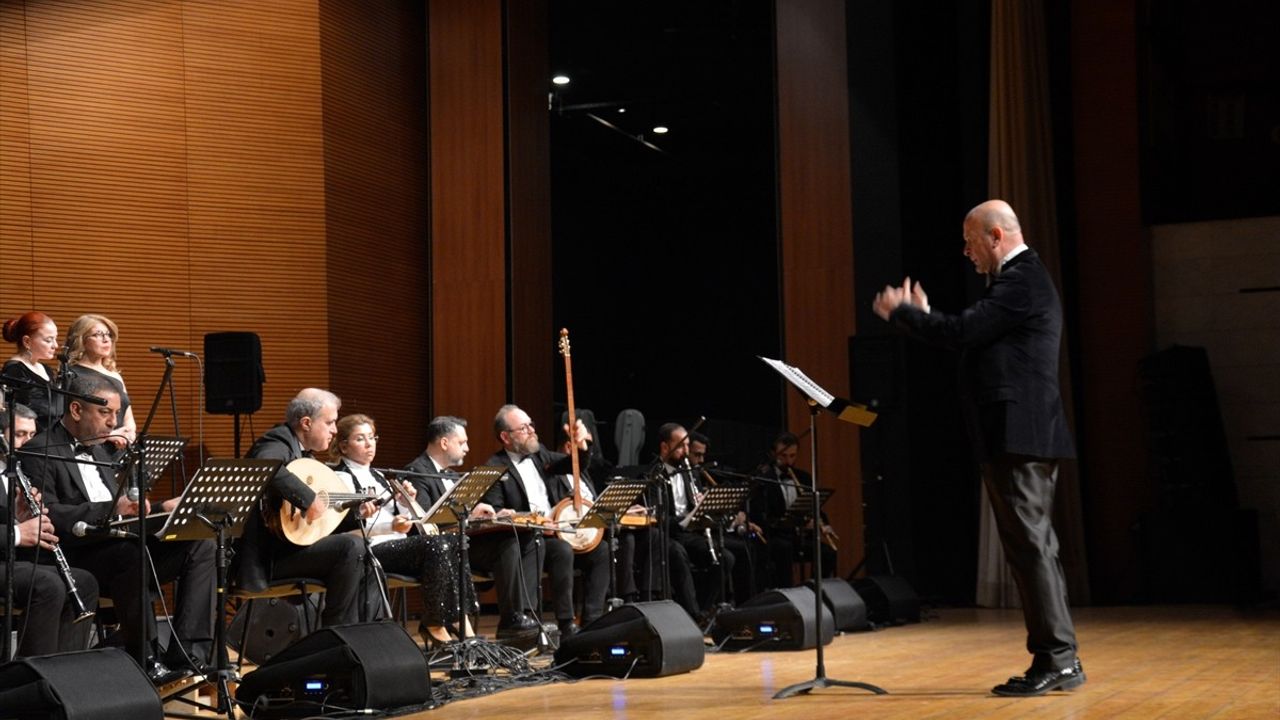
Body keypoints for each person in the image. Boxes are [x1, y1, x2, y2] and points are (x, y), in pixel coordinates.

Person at [873, 198, 1082, 696]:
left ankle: (1058, 659)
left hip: (1020, 433)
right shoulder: (1016, 282)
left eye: (970, 242)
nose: (966, 252)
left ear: (995, 236)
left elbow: (964, 331)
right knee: (1034, 549)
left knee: (1031, 549)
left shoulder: (1022, 279)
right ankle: (1058, 658)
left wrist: (907, 315)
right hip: (1016, 433)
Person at [22, 375, 214, 685]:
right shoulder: (39, 449)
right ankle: (145, 657)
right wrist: (114, 509)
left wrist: (163, 507)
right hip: (79, 555)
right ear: (75, 409)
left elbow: (123, 511)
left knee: (199, 544)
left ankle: (189, 655)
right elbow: (48, 514)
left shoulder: (102, 451)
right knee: (129, 553)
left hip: (122, 548)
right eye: (105, 413)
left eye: (116, 413)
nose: (114, 422)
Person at [230, 388, 381, 629]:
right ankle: (337, 636)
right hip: (266, 558)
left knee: (364, 553)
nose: (334, 429)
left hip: (288, 550)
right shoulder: (277, 440)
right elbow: (264, 466)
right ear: (307, 423)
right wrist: (308, 498)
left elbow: (319, 520)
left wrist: (357, 514)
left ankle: (364, 632)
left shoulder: (306, 459)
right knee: (352, 548)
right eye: (330, 422)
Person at [329, 413, 477, 649]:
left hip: (396, 547)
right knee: (436, 544)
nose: (369, 444)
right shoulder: (340, 477)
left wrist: (408, 504)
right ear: (344, 446)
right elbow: (346, 525)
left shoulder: (380, 476)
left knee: (453, 540)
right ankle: (435, 625)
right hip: (369, 552)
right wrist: (392, 525)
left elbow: (404, 522)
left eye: (372, 437)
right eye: (360, 439)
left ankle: (463, 621)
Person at [404, 415, 540, 641]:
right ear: (445, 443)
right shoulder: (417, 471)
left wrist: (491, 517)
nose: (467, 448)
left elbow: (460, 519)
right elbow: (427, 524)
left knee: (518, 541)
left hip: (462, 546)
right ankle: (506, 618)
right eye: (462, 442)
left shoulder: (452, 474)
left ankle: (519, 617)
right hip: (437, 553)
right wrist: (468, 515)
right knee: (505, 547)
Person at [483, 404, 610, 637]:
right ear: (505, 436)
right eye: (524, 427)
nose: (532, 430)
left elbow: (573, 465)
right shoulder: (494, 468)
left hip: (558, 530)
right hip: (528, 538)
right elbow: (497, 513)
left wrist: (582, 447)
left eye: (531, 424)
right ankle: (563, 622)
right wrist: (537, 524)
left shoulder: (540, 454)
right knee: (560, 550)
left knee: (602, 550)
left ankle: (592, 621)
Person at [0, 403, 100, 657]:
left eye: (32, 435)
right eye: (20, 434)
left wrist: (18, 517)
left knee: (84, 581)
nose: (27, 442)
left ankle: (66, 673)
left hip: (10, 558)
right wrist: (20, 533)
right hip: (5, 558)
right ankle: (30, 676)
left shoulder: (13, 473)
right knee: (47, 584)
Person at [749, 432, 836, 590]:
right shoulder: (764, 480)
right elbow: (760, 516)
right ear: (774, 454)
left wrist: (824, 524)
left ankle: (817, 592)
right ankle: (788, 596)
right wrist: (795, 523)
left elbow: (815, 508)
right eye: (784, 456)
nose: (788, 461)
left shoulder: (804, 478)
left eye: (792, 456)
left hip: (798, 537)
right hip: (775, 536)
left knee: (828, 552)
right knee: (784, 549)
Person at [64, 314, 136, 449]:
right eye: (98, 334)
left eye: (108, 335)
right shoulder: (70, 374)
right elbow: (70, 422)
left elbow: (128, 418)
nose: (106, 340)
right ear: (81, 340)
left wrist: (129, 433)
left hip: (122, 448)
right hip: (92, 449)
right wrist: (110, 435)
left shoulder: (115, 376)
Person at [2, 312, 64, 432]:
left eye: (55, 339)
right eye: (48, 340)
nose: (55, 345)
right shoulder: (14, 371)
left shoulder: (46, 369)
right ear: (27, 341)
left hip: (54, 438)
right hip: (31, 441)